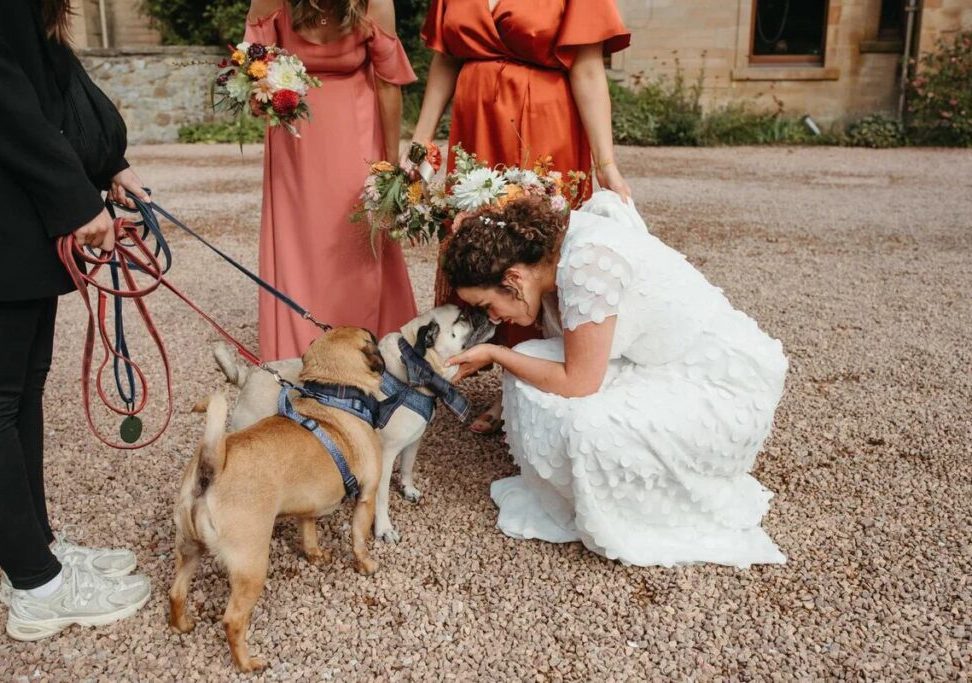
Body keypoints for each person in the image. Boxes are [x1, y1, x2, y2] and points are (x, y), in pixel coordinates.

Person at [0, 0, 152, 640]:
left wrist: (104, 159)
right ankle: (37, 588)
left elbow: (45, 65)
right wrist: (69, 196)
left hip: (9, 201)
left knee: (22, 385)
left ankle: (38, 551)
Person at [442, 192, 788, 567]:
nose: (492, 318)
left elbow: (579, 383)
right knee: (526, 363)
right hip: (655, 361)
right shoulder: (549, 249)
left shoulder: (587, 265)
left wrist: (496, 354)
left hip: (715, 383)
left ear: (513, 277)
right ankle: (571, 491)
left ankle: (633, 506)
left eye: (487, 306)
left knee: (583, 426)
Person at [411, 0, 633, 434]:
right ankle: (478, 356)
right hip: (475, 130)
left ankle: (522, 382)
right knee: (481, 246)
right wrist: (422, 143)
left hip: (544, 126)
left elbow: (587, 69)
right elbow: (446, 57)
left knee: (532, 259)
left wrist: (606, 164)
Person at [245, 0, 419, 360]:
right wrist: (262, 94)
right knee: (300, 238)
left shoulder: (376, 3)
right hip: (295, 136)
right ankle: (299, 347)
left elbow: (388, 85)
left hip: (357, 128)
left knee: (357, 232)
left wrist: (389, 164)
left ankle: (366, 344)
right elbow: (251, 68)